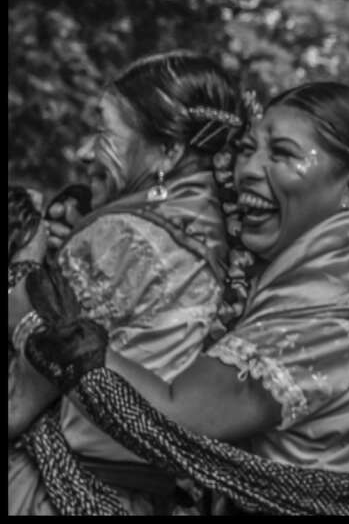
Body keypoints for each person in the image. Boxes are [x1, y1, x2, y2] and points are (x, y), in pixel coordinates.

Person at [17, 82, 349, 515]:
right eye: (247, 149)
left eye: (281, 154)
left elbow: (172, 418)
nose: (247, 171)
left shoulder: (337, 308)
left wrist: (34, 314)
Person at [8, 50, 250, 515]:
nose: (84, 152)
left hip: (54, 494)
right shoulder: (233, 240)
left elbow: (17, 404)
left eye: (103, 133)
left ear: (167, 152)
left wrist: (23, 273)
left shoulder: (122, 238)